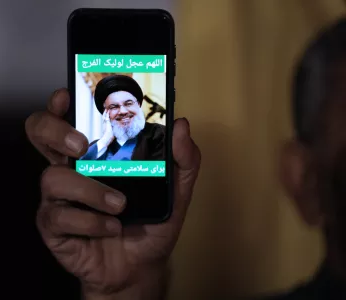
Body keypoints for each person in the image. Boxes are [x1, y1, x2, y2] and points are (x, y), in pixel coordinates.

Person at [25, 17, 346, 300]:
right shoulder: (92, 153)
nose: (121, 111)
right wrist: (125, 291)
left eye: (128, 103)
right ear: (306, 182)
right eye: (113, 107)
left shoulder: (156, 143)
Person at [80, 74, 165, 161]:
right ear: (106, 113)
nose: (123, 111)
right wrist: (106, 139)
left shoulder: (159, 133)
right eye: (114, 107)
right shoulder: (99, 145)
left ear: (138, 104)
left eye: (128, 103)